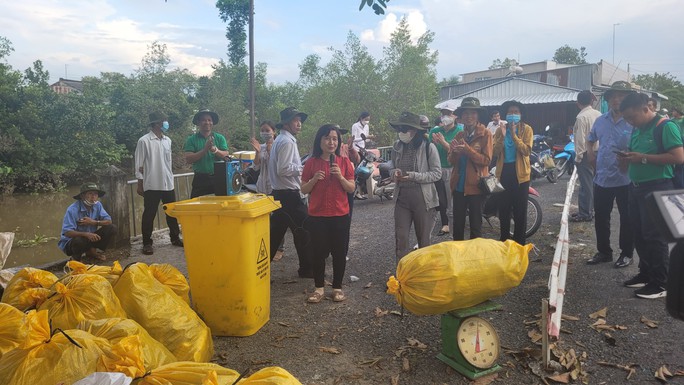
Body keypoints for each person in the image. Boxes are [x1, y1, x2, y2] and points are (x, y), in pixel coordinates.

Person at [619, 92, 684, 299]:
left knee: (655, 236)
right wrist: (627, 159)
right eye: (627, 119)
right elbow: (636, 156)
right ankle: (645, 273)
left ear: (646, 108)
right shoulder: (638, 130)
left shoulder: (665, 126)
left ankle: (660, 283)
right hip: (636, 187)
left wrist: (643, 159)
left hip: (657, 187)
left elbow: (678, 157)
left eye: (632, 117)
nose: (630, 122)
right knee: (639, 233)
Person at [301, 124, 355, 303]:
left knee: (339, 253)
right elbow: (303, 189)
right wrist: (314, 179)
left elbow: (351, 188)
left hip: (340, 215)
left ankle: (337, 288)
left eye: (334, 139)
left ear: (338, 142)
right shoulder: (311, 162)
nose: (331, 142)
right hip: (317, 216)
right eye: (327, 138)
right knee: (318, 253)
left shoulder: (344, 162)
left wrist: (340, 176)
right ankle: (319, 288)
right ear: (320, 140)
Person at [585, 81, 635, 267]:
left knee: (627, 217)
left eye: (621, 96)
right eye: (613, 96)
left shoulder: (633, 121)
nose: (616, 99)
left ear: (627, 99)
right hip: (602, 178)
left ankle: (627, 253)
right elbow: (590, 140)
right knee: (601, 216)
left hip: (626, 178)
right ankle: (604, 252)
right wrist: (590, 154)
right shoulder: (600, 120)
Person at [269, 107, 314, 278]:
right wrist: (303, 168)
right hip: (289, 194)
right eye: (296, 120)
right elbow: (284, 169)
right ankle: (307, 269)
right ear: (287, 123)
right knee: (305, 230)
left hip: (281, 193)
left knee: (276, 234)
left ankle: (258, 269)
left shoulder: (281, 139)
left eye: (300, 120)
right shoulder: (287, 142)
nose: (299, 123)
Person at [390, 112, 441, 261]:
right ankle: (402, 272)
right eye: (400, 129)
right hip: (402, 197)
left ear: (415, 131)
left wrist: (414, 176)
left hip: (423, 198)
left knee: (424, 239)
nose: (401, 133)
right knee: (401, 237)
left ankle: (423, 273)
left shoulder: (428, 147)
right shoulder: (397, 146)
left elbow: (436, 173)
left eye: (404, 129)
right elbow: (392, 167)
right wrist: (395, 172)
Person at [134, 112, 183, 255]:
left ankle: (175, 237)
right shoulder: (144, 141)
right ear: (156, 124)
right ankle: (147, 243)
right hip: (152, 183)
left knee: (171, 212)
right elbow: (139, 163)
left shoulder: (167, 140)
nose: (166, 123)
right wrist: (139, 183)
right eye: (164, 121)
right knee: (149, 213)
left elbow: (168, 162)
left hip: (168, 182)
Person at [448, 97, 493, 240]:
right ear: (461, 117)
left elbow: (486, 160)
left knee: (475, 226)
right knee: (458, 225)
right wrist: (454, 153)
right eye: (466, 113)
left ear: (478, 115)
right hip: (459, 187)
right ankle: (458, 257)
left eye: (472, 113)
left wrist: (468, 150)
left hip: (476, 187)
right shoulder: (460, 134)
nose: (469, 117)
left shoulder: (486, 134)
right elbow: (451, 161)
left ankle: (474, 258)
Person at [492, 100, 533, 245]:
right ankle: (504, 241)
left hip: (520, 175)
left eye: (516, 112)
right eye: (510, 112)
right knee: (503, 209)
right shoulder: (499, 130)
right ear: (505, 114)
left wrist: (514, 135)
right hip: (503, 173)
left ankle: (519, 243)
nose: (513, 115)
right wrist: (503, 135)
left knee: (520, 211)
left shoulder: (526, 129)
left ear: (521, 114)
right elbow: (494, 153)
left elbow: (526, 151)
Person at [58, 182, 116, 262]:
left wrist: (94, 222)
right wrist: (86, 234)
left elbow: (109, 221)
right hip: (72, 243)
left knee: (111, 228)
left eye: (95, 194)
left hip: (90, 238)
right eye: (90, 193)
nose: (93, 196)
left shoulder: (98, 205)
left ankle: (91, 252)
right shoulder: (72, 209)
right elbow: (67, 232)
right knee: (79, 240)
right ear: (82, 196)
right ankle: (75, 258)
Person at [570, 90, 602, 223]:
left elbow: (581, 140)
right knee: (593, 183)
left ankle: (585, 213)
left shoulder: (581, 117)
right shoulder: (599, 114)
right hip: (599, 152)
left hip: (585, 154)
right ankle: (589, 210)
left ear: (578, 103)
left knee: (586, 185)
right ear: (591, 101)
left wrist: (578, 158)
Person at [429, 111, 462, 237]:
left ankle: (454, 232)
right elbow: (430, 148)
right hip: (436, 169)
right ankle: (445, 224)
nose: (445, 117)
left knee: (450, 202)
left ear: (455, 116)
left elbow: (455, 151)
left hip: (451, 169)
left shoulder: (459, 131)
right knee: (439, 200)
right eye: (443, 114)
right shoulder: (435, 131)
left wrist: (442, 142)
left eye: (449, 114)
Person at [184, 109, 230, 198]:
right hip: (200, 179)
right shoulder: (191, 139)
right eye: (204, 120)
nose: (207, 122)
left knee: (220, 206)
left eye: (209, 120)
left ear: (212, 122)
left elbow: (226, 156)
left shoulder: (220, 138)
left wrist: (214, 150)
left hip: (218, 177)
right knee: (197, 207)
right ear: (198, 122)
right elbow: (188, 159)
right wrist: (205, 150)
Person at [338, 127, 361, 217]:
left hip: (347, 182)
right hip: (336, 184)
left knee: (348, 211)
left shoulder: (345, 147)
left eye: (339, 135)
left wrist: (351, 147)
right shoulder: (327, 149)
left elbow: (357, 159)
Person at [351, 112, 373, 199]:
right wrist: (363, 138)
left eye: (368, 120)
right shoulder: (355, 126)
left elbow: (366, 140)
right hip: (356, 150)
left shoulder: (366, 126)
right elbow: (354, 139)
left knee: (365, 171)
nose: (367, 121)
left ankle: (362, 190)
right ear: (361, 118)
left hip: (363, 150)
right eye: (366, 119)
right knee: (358, 171)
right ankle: (355, 191)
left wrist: (370, 138)